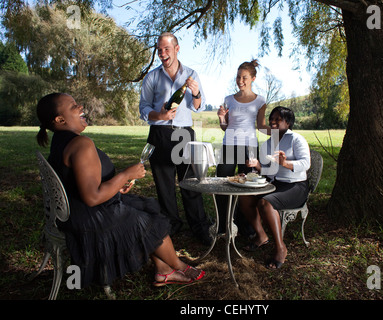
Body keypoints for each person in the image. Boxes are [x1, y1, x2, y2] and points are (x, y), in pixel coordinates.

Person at [36, 93, 205, 289]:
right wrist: (125, 174)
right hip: (90, 218)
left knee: (146, 206)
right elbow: (92, 197)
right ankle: (178, 266)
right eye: (73, 106)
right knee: (151, 221)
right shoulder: (81, 144)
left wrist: (116, 186)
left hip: (74, 213)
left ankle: (163, 270)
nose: (80, 106)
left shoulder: (60, 141)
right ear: (60, 119)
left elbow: (79, 183)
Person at [139, 32, 212, 245]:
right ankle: (172, 224)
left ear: (177, 48)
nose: (162, 54)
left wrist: (196, 93)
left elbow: (198, 108)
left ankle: (199, 226)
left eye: (166, 49)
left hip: (183, 134)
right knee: (164, 186)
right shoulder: (152, 77)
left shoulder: (190, 74)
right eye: (159, 50)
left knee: (190, 182)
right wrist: (159, 115)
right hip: (159, 134)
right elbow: (143, 108)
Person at [239, 106, 310, 269]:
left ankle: (280, 248)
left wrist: (286, 163)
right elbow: (268, 170)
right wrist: (257, 166)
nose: (273, 122)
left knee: (265, 203)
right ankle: (261, 236)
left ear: (288, 122)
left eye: (278, 119)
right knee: (244, 197)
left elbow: (306, 163)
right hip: (275, 184)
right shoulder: (268, 143)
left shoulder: (296, 139)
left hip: (296, 185)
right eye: (272, 119)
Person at [215, 59, 271, 235]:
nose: (240, 80)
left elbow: (261, 126)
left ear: (253, 78)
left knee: (247, 187)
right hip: (229, 144)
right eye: (238, 77)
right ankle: (223, 224)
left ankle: (246, 227)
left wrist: (280, 131)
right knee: (223, 184)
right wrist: (221, 118)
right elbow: (225, 127)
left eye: (244, 77)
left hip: (250, 147)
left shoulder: (260, 101)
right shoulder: (228, 100)